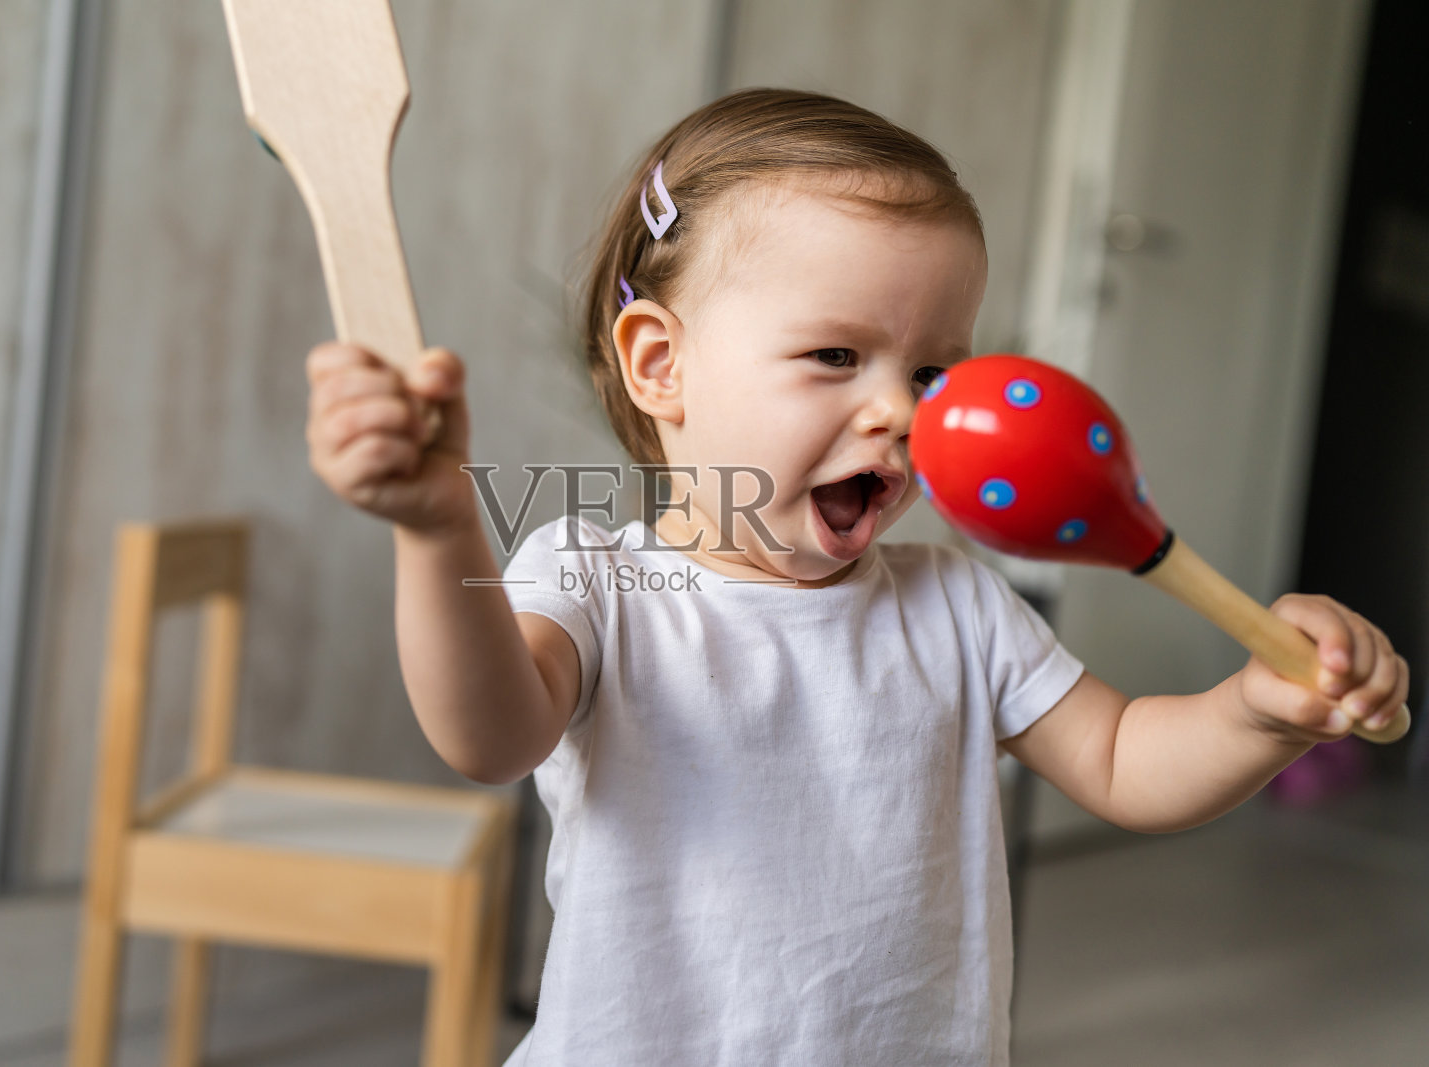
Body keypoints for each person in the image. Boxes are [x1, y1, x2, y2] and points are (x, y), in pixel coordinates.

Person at [302, 88, 1409, 1064]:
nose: (899, 410)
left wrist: (1260, 713)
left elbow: (1125, 764)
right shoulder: (595, 580)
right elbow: (489, 735)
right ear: (661, 364)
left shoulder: (955, 600)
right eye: (835, 355)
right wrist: (440, 529)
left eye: (934, 370)